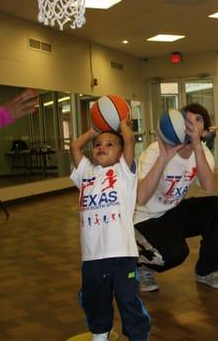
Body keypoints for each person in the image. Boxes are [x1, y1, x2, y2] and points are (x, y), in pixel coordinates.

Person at [134, 103, 218, 292]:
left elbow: (208, 186)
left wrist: (196, 146)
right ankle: (142, 264)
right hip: (143, 217)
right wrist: (164, 157)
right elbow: (141, 197)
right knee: (177, 253)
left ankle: (208, 271)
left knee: (216, 206)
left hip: (171, 212)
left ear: (203, 132)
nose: (191, 124)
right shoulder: (155, 151)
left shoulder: (202, 153)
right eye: (186, 119)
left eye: (198, 120)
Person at [70, 117, 151, 341]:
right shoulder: (85, 172)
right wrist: (93, 130)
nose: (102, 147)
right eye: (97, 144)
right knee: (94, 298)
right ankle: (100, 333)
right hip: (92, 255)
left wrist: (121, 123)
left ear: (121, 152)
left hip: (122, 254)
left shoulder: (124, 173)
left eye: (109, 144)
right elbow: (75, 146)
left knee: (127, 298)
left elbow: (129, 140)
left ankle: (138, 334)